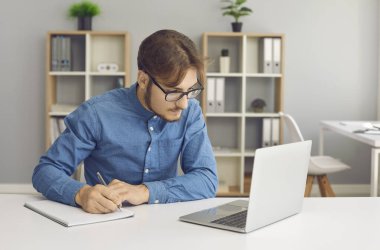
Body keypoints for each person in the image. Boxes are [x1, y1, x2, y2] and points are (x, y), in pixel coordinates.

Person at [32, 29, 218, 214]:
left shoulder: (191, 112)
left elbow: (207, 179)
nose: (184, 103)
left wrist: (145, 192)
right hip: (105, 226)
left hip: (164, 225)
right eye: (173, 92)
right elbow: (46, 171)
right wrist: (81, 194)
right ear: (143, 80)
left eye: (190, 91)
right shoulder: (96, 114)